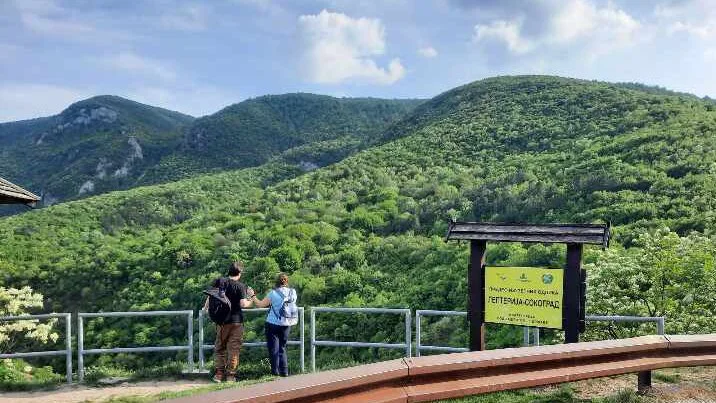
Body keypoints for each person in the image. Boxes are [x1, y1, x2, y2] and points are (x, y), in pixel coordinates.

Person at [205, 261, 255, 383]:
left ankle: (219, 374)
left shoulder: (219, 281)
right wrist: (251, 298)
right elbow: (243, 304)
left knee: (220, 348)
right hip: (236, 322)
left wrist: (206, 308)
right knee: (234, 349)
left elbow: (210, 296)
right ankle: (231, 376)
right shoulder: (240, 286)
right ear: (240, 273)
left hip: (221, 321)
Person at [251, 272, 297, 377]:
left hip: (273, 323)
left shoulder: (273, 293)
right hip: (287, 323)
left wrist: (252, 295)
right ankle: (284, 372)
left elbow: (260, 304)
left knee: (273, 348)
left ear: (276, 282)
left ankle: (275, 372)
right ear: (287, 282)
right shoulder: (293, 292)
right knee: (282, 347)